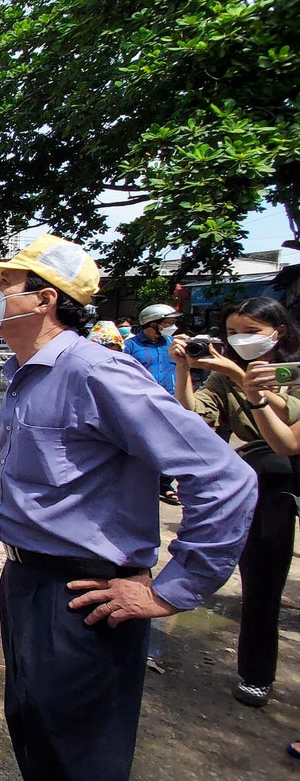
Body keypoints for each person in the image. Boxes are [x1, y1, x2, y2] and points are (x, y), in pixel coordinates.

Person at [0, 234, 257, 781]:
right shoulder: (23, 376)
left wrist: (172, 589)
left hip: (87, 595)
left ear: (44, 298)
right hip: (27, 581)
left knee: (81, 758)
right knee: (36, 738)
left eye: (2, 283)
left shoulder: (96, 372)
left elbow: (224, 476)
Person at [183, 298, 300, 708]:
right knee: (260, 580)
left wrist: (249, 385)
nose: (239, 340)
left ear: (278, 331)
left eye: (249, 330)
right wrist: (186, 369)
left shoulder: (293, 375)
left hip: (284, 472)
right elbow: (194, 414)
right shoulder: (225, 378)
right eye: (232, 332)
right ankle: (256, 672)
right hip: (261, 478)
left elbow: (287, 441)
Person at [126, 303, 185, 504]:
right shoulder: (131, 346)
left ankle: (165, 485)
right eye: (168, 322)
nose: (173, 326)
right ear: (153, 323)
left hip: (170, 401)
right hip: (141, 403)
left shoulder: (173, 344)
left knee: (171, 445)